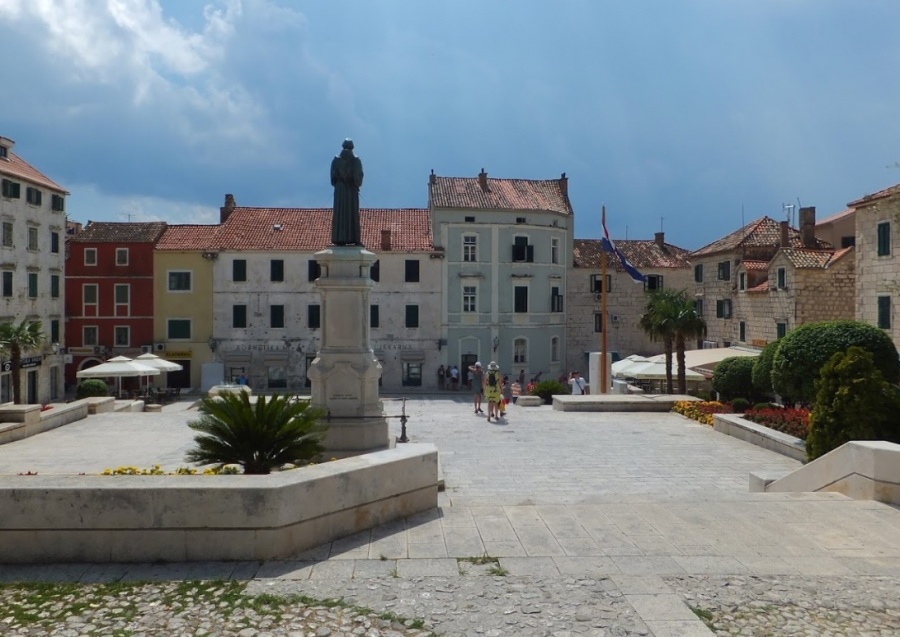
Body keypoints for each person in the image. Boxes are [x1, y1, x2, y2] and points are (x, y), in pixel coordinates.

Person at [330, 138, 364, 246]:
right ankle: (354, 238)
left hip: (340, 190)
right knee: (352, 213)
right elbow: (358, 178)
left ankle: (338, 238)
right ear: (352, 147)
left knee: (339, 213)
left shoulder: (336, 160)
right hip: (351, 189)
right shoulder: (356, 160)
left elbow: (333, 179)